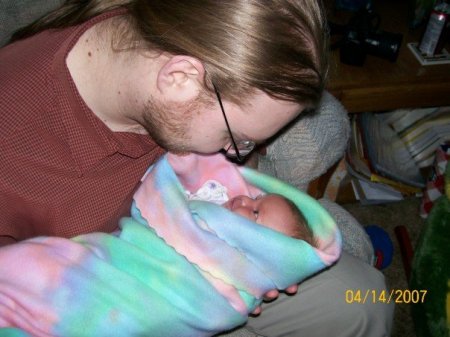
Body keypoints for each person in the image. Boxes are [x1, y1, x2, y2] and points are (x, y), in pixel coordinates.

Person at [0, 1, 393, 336]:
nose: (236, 153)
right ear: (179, 80)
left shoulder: (171, 25)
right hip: (98, 296)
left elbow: (226, 171)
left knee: (365, 301)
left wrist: (248, 256)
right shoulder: (16, 141)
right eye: (235, 137)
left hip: (201, 245)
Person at [187, 178, 316, 247]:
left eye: (255, 213)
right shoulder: (215, 196)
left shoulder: (225, 250)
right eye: (255, 199)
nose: (246, 200)